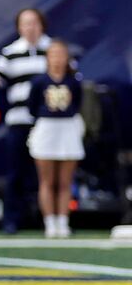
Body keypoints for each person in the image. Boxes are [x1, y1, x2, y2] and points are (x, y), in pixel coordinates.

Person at [0, 9, 52, 234]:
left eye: (34, 23)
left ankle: (51, 220)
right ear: (19, 27)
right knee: (16, 172)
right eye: (25, 23)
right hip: (18, 120)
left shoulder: (53, 50)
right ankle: (12, 220)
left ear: (42, 25)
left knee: (46, 174)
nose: (30, 28)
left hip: (47, 123)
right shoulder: (10, 53)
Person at [28, 39, 84, 239]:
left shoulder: (73, 81)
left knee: (65, 181)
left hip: (67, 128)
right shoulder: (39, 81)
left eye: (61, 54)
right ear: (47, 58)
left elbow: (78, 103)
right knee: (47, 180)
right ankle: (49, 223)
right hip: (46, 128)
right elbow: (32, 107)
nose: (58, 59)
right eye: (53, 54)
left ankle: (63, 221)